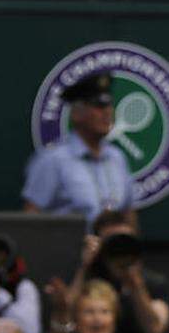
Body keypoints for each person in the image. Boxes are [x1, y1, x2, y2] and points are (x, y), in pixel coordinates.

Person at [22, 72, 137, 227]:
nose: (107, 112)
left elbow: (128, 213)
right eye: (98, 106)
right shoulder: (53, 159)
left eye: (109, 105)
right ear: (77, 114)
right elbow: (30, 218)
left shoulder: (117, 157)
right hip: (69, 249)